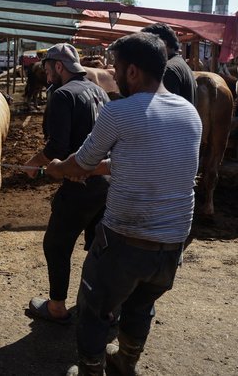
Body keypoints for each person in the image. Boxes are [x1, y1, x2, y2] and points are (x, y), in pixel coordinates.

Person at [45, 32, 202, 375]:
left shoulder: (119, 112)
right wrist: (97, 167)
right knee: (141, 305)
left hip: (125, 241)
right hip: (172, 244)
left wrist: (59, 168)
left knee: (93, 308)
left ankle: (90, 369)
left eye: (116, 67)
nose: (112, 75)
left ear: (132, 71)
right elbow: (147, 160)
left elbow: (80, 163)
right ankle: (125, 362)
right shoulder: (190, 114)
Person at [23, 43, 110, 326]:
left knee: (56, 244)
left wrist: (33, 162)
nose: (46, 74)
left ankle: (57, 307)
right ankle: (101, 306)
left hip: (79, 181)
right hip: (104, 181)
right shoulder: (98, 91)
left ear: (59, 67)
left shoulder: (62, 95)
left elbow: (57, 146)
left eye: (48, 69)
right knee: (98, 246)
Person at [141, 22, 197, 105]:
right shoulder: (181, 64)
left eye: (148, 45)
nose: (145, 51)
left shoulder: (168, 69)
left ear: (163, 43)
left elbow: (165, 108)